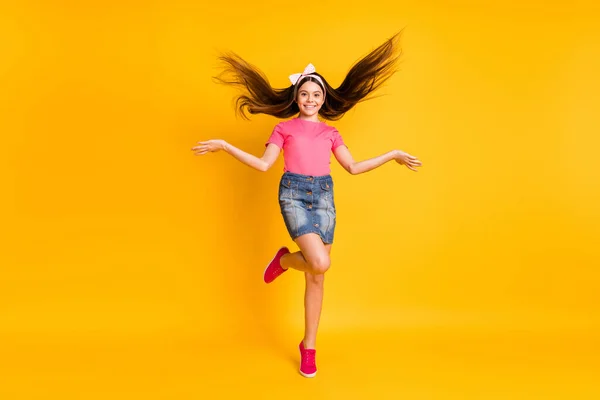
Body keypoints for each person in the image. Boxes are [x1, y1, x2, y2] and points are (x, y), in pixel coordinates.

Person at [192, 32, 422, 378]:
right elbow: (263, 164)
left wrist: (392, 155)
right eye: (305, 94)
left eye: (316, 95)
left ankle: (309, 347)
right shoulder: (283, 128)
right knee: (319, 262)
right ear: (296, 97)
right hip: (294, 195)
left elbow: (353, 168)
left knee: (317, 277)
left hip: (324, 198)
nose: (310, 99)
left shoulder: (331, 133)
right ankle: (284, 259)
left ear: (324, 98)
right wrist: (225, 145)